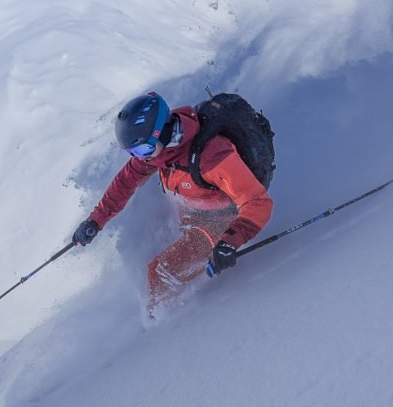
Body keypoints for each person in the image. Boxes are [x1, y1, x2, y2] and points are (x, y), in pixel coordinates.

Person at [72, 92, 273, 312]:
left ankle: (163, 327)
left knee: (160, 271)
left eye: (141, 149)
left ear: (162, 132)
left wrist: (229, 242)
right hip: (193, 210)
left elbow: (258, 202)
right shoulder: (158, 152)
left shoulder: (212, 156)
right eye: (133, 152)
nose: (140, 157)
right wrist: (95, 220)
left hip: (221, 220)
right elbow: (125, 183)